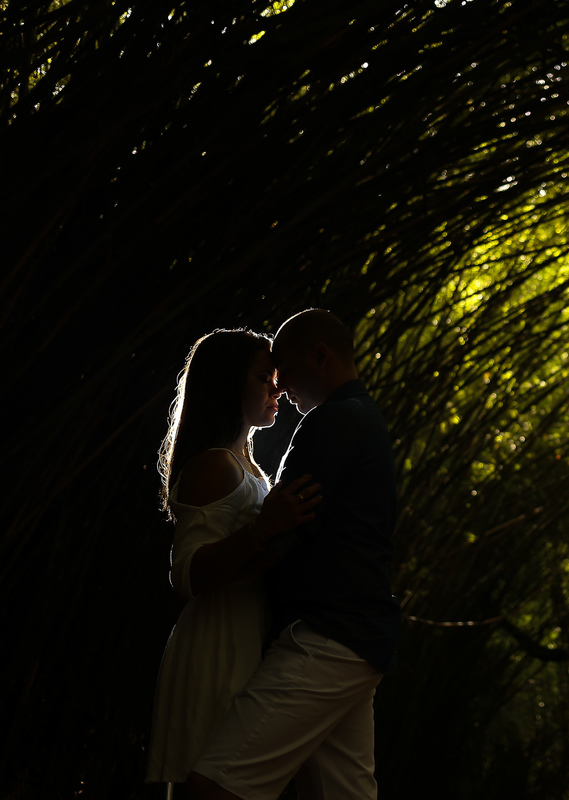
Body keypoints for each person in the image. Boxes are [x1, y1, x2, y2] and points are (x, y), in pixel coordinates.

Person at [186, 309, 401, 800]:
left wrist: (215, 572)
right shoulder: (365, 418)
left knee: (212, 785)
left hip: (326, 636)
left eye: (282, 370)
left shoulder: (333, 421)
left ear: (319, 356)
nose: (279, 388)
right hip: (360, 637)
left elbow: (287, 537)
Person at [147, 329, 322, 792]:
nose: (277, 389)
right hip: (217, 645)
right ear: (228, 383)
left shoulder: (247, 466)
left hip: (246, 637)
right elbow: (187, 575)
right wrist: (263, 530)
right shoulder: (214, 465)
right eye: (265, 377)